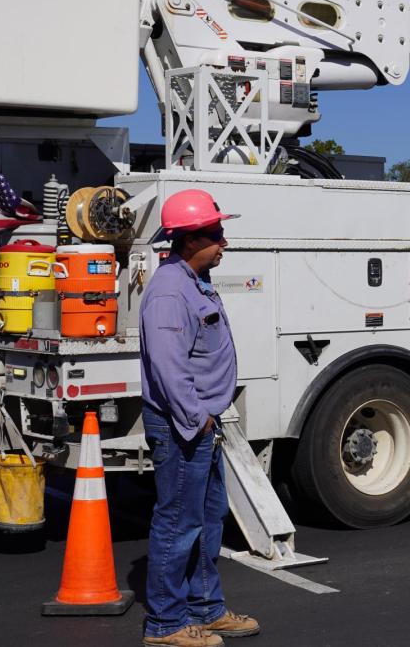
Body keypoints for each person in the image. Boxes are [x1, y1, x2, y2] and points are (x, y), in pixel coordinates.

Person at [139, 188, 258, 647]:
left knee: (208, 518)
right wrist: (196, 417)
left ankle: (205, 609)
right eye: (217, 234)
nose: (224, 242)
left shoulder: (192, 279)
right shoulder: (171, 291)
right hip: (182, 425)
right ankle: (166, 624)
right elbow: (170, 366)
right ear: (190, 239)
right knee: (178, 522)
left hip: (198, 423)